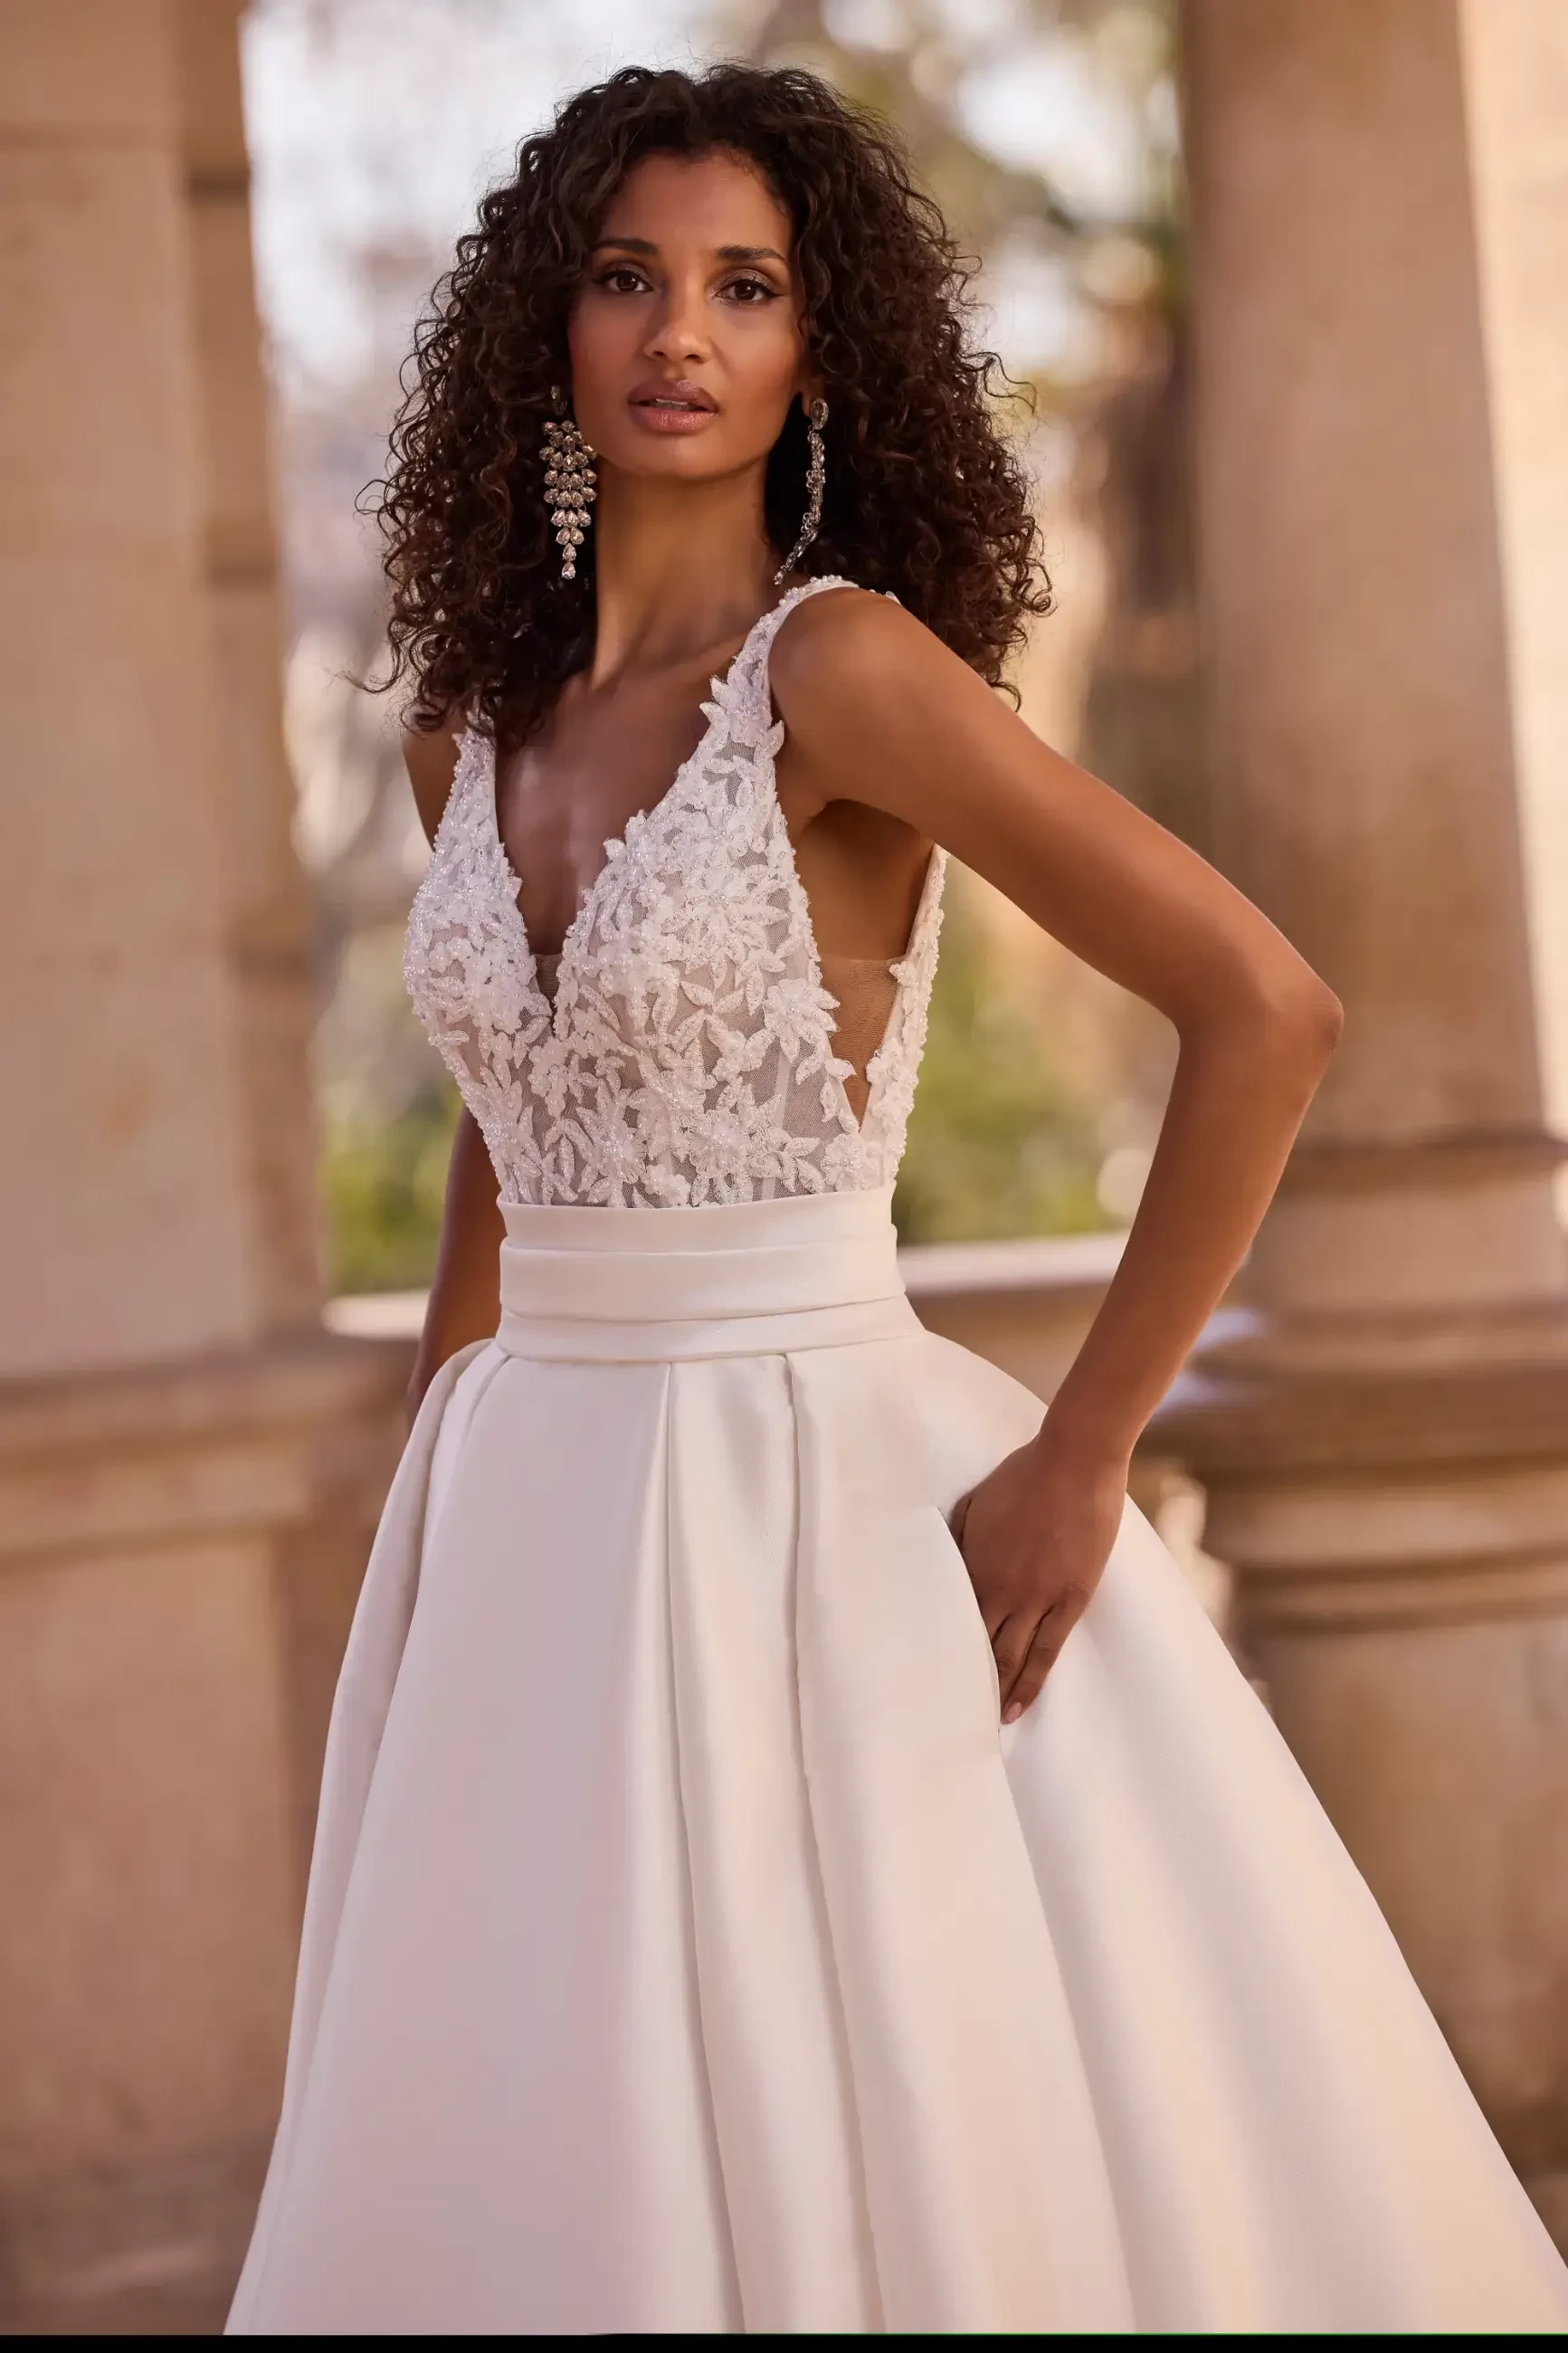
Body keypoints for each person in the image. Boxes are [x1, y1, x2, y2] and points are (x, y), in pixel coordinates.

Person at [228, 62, 1568, 2336]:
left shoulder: (836, 674)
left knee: (853, 2125)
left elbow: (1264, 1008)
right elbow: (509, 1096)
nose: (681, 331)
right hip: (520, 1525)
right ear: (546, 334)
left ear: (814, 350)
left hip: (808, 1507)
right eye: (629, 277)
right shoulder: (477, 720)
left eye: (743, 286)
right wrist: (444, 1423)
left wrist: (1081, 1452)